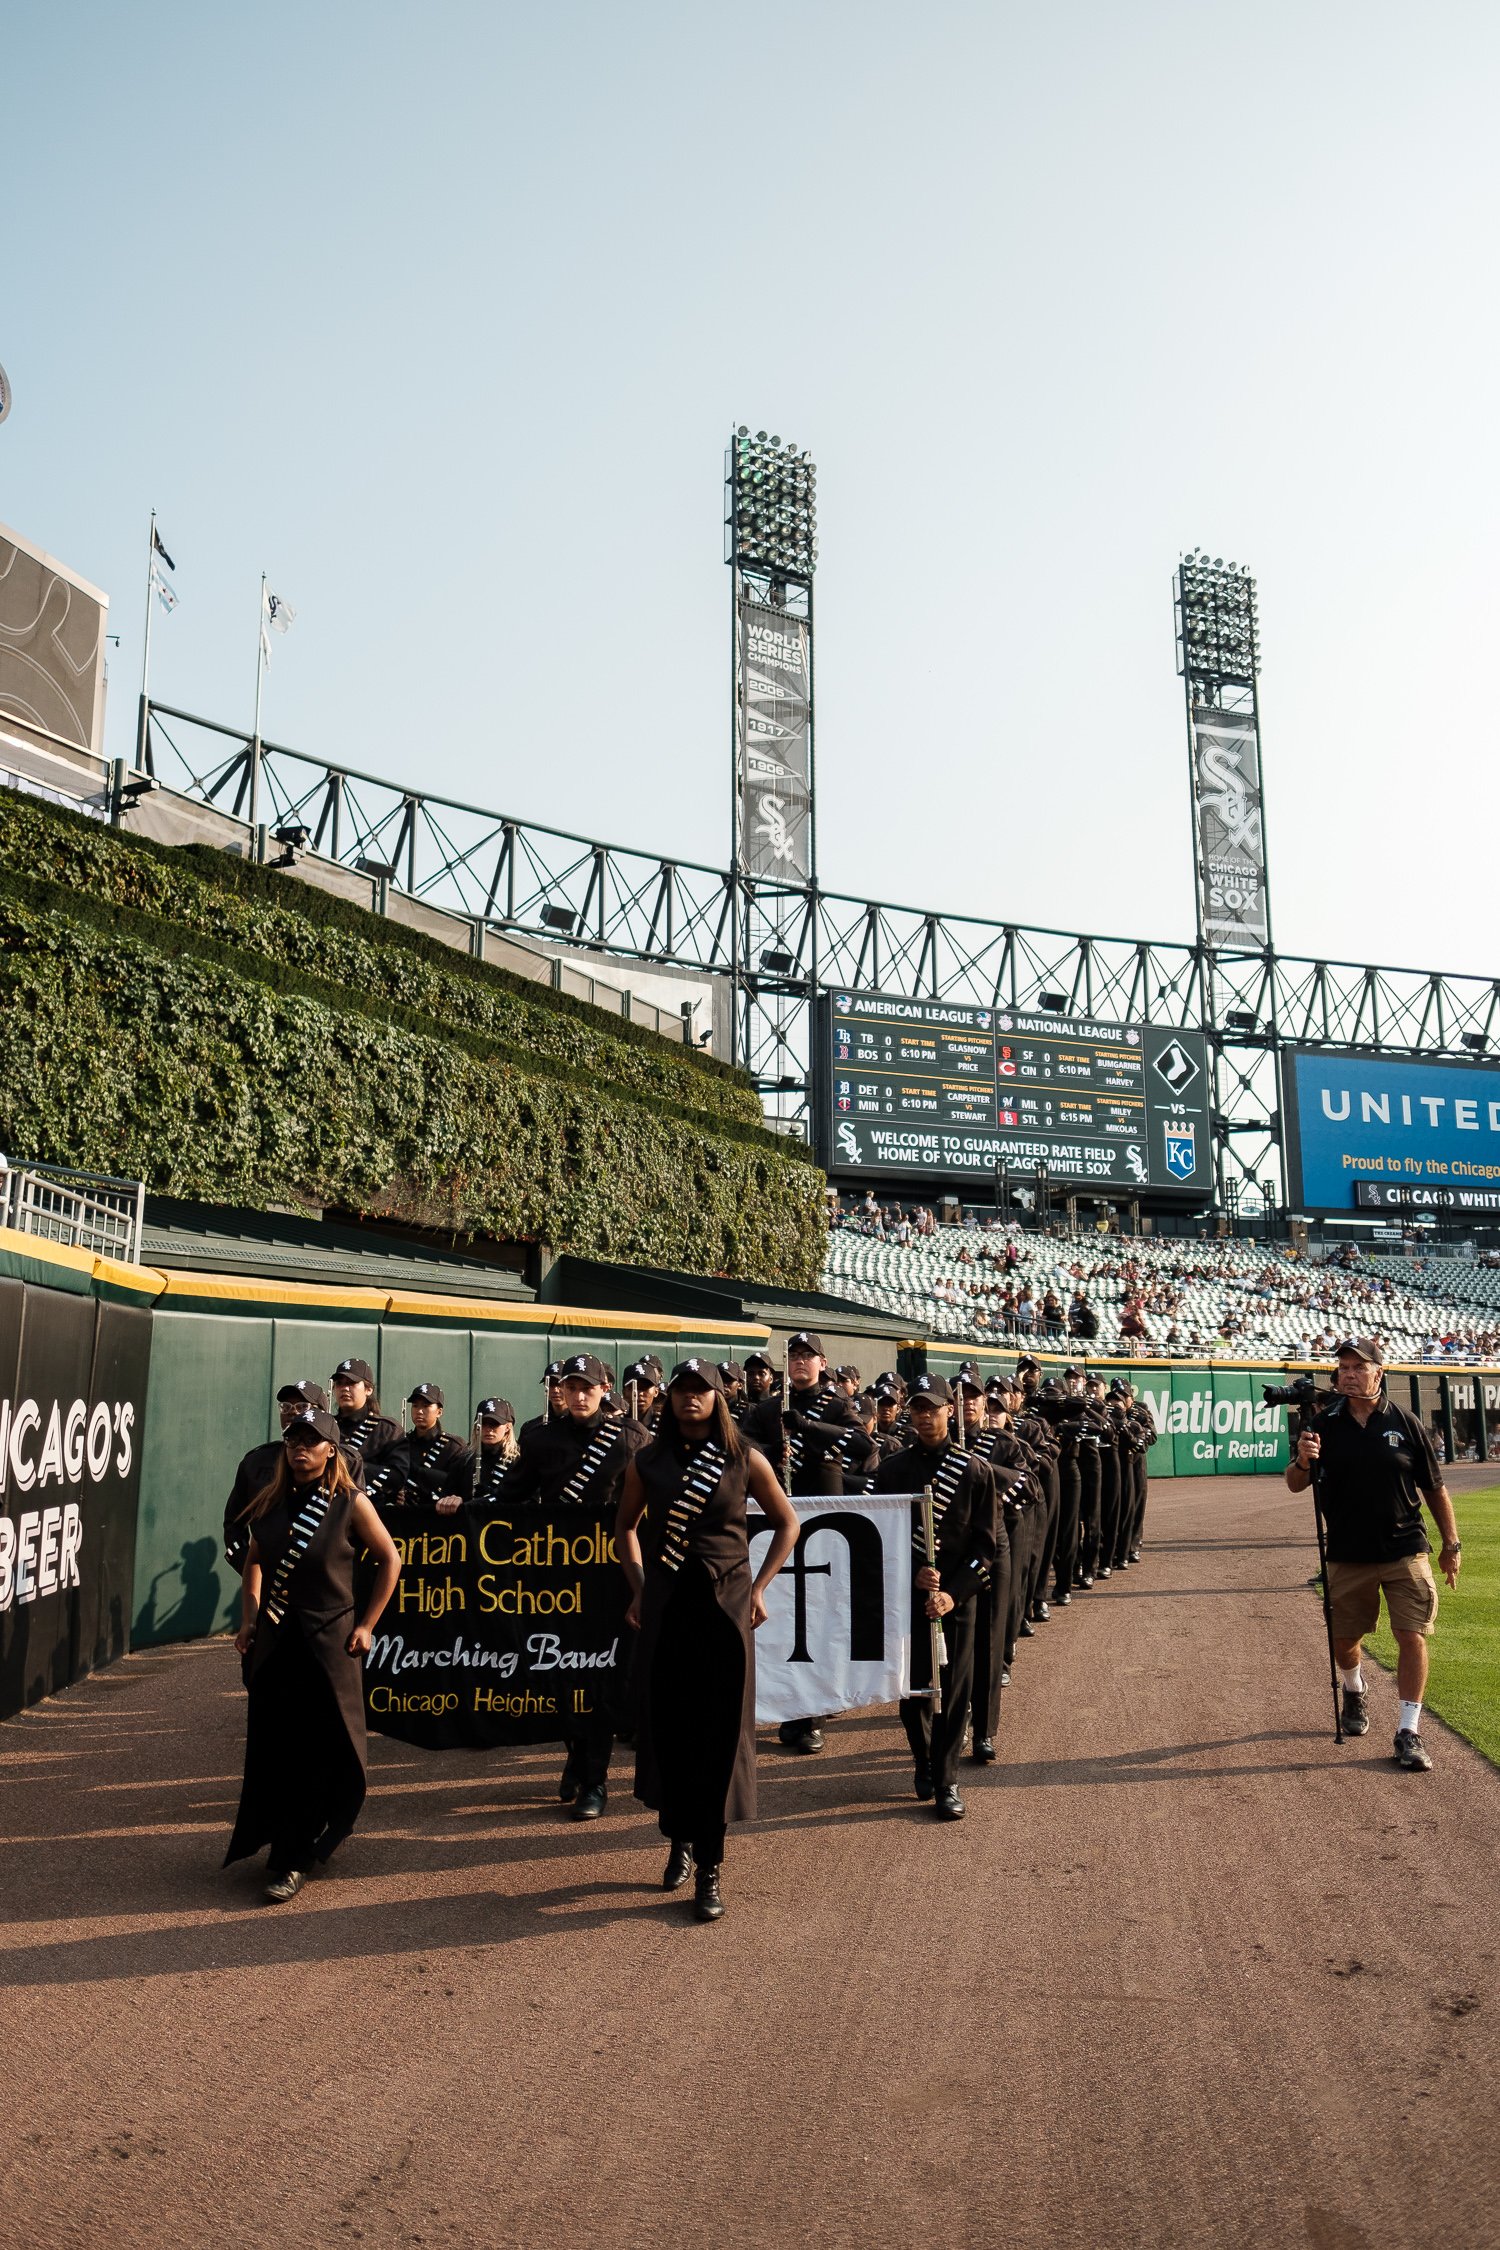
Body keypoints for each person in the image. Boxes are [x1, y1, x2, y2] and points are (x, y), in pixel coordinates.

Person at [616, 1359, 799, 1921]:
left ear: (721, 1399)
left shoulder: (745, 1459)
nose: (691, 1398)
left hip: (725, 1614)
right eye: (681, 1391)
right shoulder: (647, 1461)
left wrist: (760, 1589)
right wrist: (640, 1587)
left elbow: (787, 1522)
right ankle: (679, 1840)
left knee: (719, 1739)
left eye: (702, 1391)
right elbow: (625, 1528)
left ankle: (711, 1866)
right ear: (668, 1400)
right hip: (669, 1613)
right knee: (671, 1732)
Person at [225, 1410, 401, 1902]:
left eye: (312, 1441)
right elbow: (254, 1562)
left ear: (332, 1450)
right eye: (293, 1440)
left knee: (325, 1749)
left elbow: (391, 1559)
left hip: (331, 1642)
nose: (300, 1448)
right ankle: (285, 1846)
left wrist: (367, 1625)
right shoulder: (271, 1501)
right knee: (278, 1748)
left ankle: (300, 1852)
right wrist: (251, 1618)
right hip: (279, 1642)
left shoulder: (350, 1502)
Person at [1286, 1338, 1461, 1772]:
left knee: (1412, 1635)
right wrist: (1304, 1461)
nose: (1348, 1374)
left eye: (1358, 1367)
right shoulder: (1321, 1423)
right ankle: (1354, 1686)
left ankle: (1408, 1731)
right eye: (1342, 1367)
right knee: (1345, 1642)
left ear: (1378, 1373)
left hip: (1406, 1549)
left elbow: (1435, 1488)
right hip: (1347, 1552)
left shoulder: (1406, 1421)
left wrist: (1450, 1545)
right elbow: (1293, 1483)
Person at [505, 1351, 649, 1816]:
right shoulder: (541, 1440)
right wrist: (458, 1506)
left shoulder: (631, 1439)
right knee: (560, 1673)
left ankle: (595, 1780)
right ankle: (576, 1754)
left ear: (604, 1390)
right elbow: (511, 1496)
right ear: (560, 1391)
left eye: (588, 1386)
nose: (580, 1394)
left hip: (611, 1574)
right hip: (557, 1577)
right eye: (572, 1386)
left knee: (603, 1676)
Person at [739, 1330, 873, 1755]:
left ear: (822, 1362)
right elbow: (738, 1443)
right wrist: (771, 1448)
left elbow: (862, 1443)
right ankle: (786, 1708)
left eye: (807, 1356)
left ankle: (811, 1714)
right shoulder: (768, 1407)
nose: (800, 1362)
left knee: (817, 1614)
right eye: (794, 1355)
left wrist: (810, 1428)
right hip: (775, 1519)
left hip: (822, 1516)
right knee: (779, 1613)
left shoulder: (836, 1404)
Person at [873, 1375, 997, 1820]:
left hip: (956, 1601)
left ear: (950, 1409)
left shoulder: (975, 1471)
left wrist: (952, 1594)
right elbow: (880, 1539)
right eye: (918, 1408)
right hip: (908, 1597)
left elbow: (988, 1548)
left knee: (956, 1690)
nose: (926, 1416)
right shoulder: (892, 1471)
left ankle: (947, 1780)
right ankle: (922, 1759)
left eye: (934, 1407)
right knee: (915, 1690)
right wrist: (912, 1574)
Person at [954, 1368, 1014, 1762]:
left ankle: (984, 1732)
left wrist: (977, 1469)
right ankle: (955, 1725)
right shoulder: (939, 1442)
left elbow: (1027, 1484)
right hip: (955, 1550)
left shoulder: (1001, 1442)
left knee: (989, 1639)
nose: (974, 1403)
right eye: (967, 1396)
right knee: (957, 1647)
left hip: (995, 1543)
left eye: (981, 1399)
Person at [224, 1381, 343, 1574]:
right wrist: (249, 1567)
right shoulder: (255, 1462)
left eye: (303, 1406)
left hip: (325, 1583)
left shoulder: (344, 1462)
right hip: (270, 1581)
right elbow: (234, 1523)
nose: (291, 1412)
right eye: (285, 1407)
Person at [381, 1384, 475, 1513]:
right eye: (415, 1405)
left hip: (437, 1517)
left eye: (426, 1406)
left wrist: (418, 1473)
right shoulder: (401, 1443)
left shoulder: (452, 1446)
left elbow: (455, 1485)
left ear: (439, 1411)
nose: (419, 1411)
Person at [330, 1358, 402, 1463]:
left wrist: (352, 1467)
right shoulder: (327, 1426)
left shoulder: (387, 1430)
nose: (345, 1388)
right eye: (339, 1383)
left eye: (351, 1383)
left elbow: (396, 1475)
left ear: (368, 1390)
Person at [471, 1397, 518, 1503]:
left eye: (494, 1424)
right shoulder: (466, 1459)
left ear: (507, 1427)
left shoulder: (520, 1460)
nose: (488, 1429)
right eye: (483, 1423)